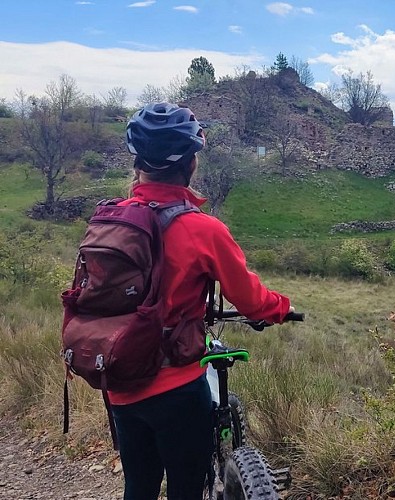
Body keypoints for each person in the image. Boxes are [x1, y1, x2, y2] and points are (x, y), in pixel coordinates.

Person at [109, 102, 293, 500]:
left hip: (119, 382)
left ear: (137, 162)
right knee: (187, 488)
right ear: (191, 165)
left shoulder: (110, 219)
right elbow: (252, 301)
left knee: (138, 485)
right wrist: (281, 308)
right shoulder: (201, 229)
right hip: (175, 386)